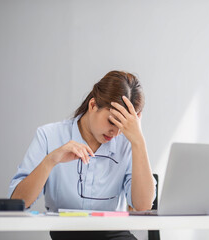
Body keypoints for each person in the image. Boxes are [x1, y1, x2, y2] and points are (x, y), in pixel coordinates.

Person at [8, 70, 156, 240]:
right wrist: (51, 161)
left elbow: (143, 206)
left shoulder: (128, 144)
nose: (115, 132)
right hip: (67, 235)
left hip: (115, 235)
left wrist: (139, 142)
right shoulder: (49, 136)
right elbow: (18, 203)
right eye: (111, 121)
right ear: (93, 105)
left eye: (122, 126)